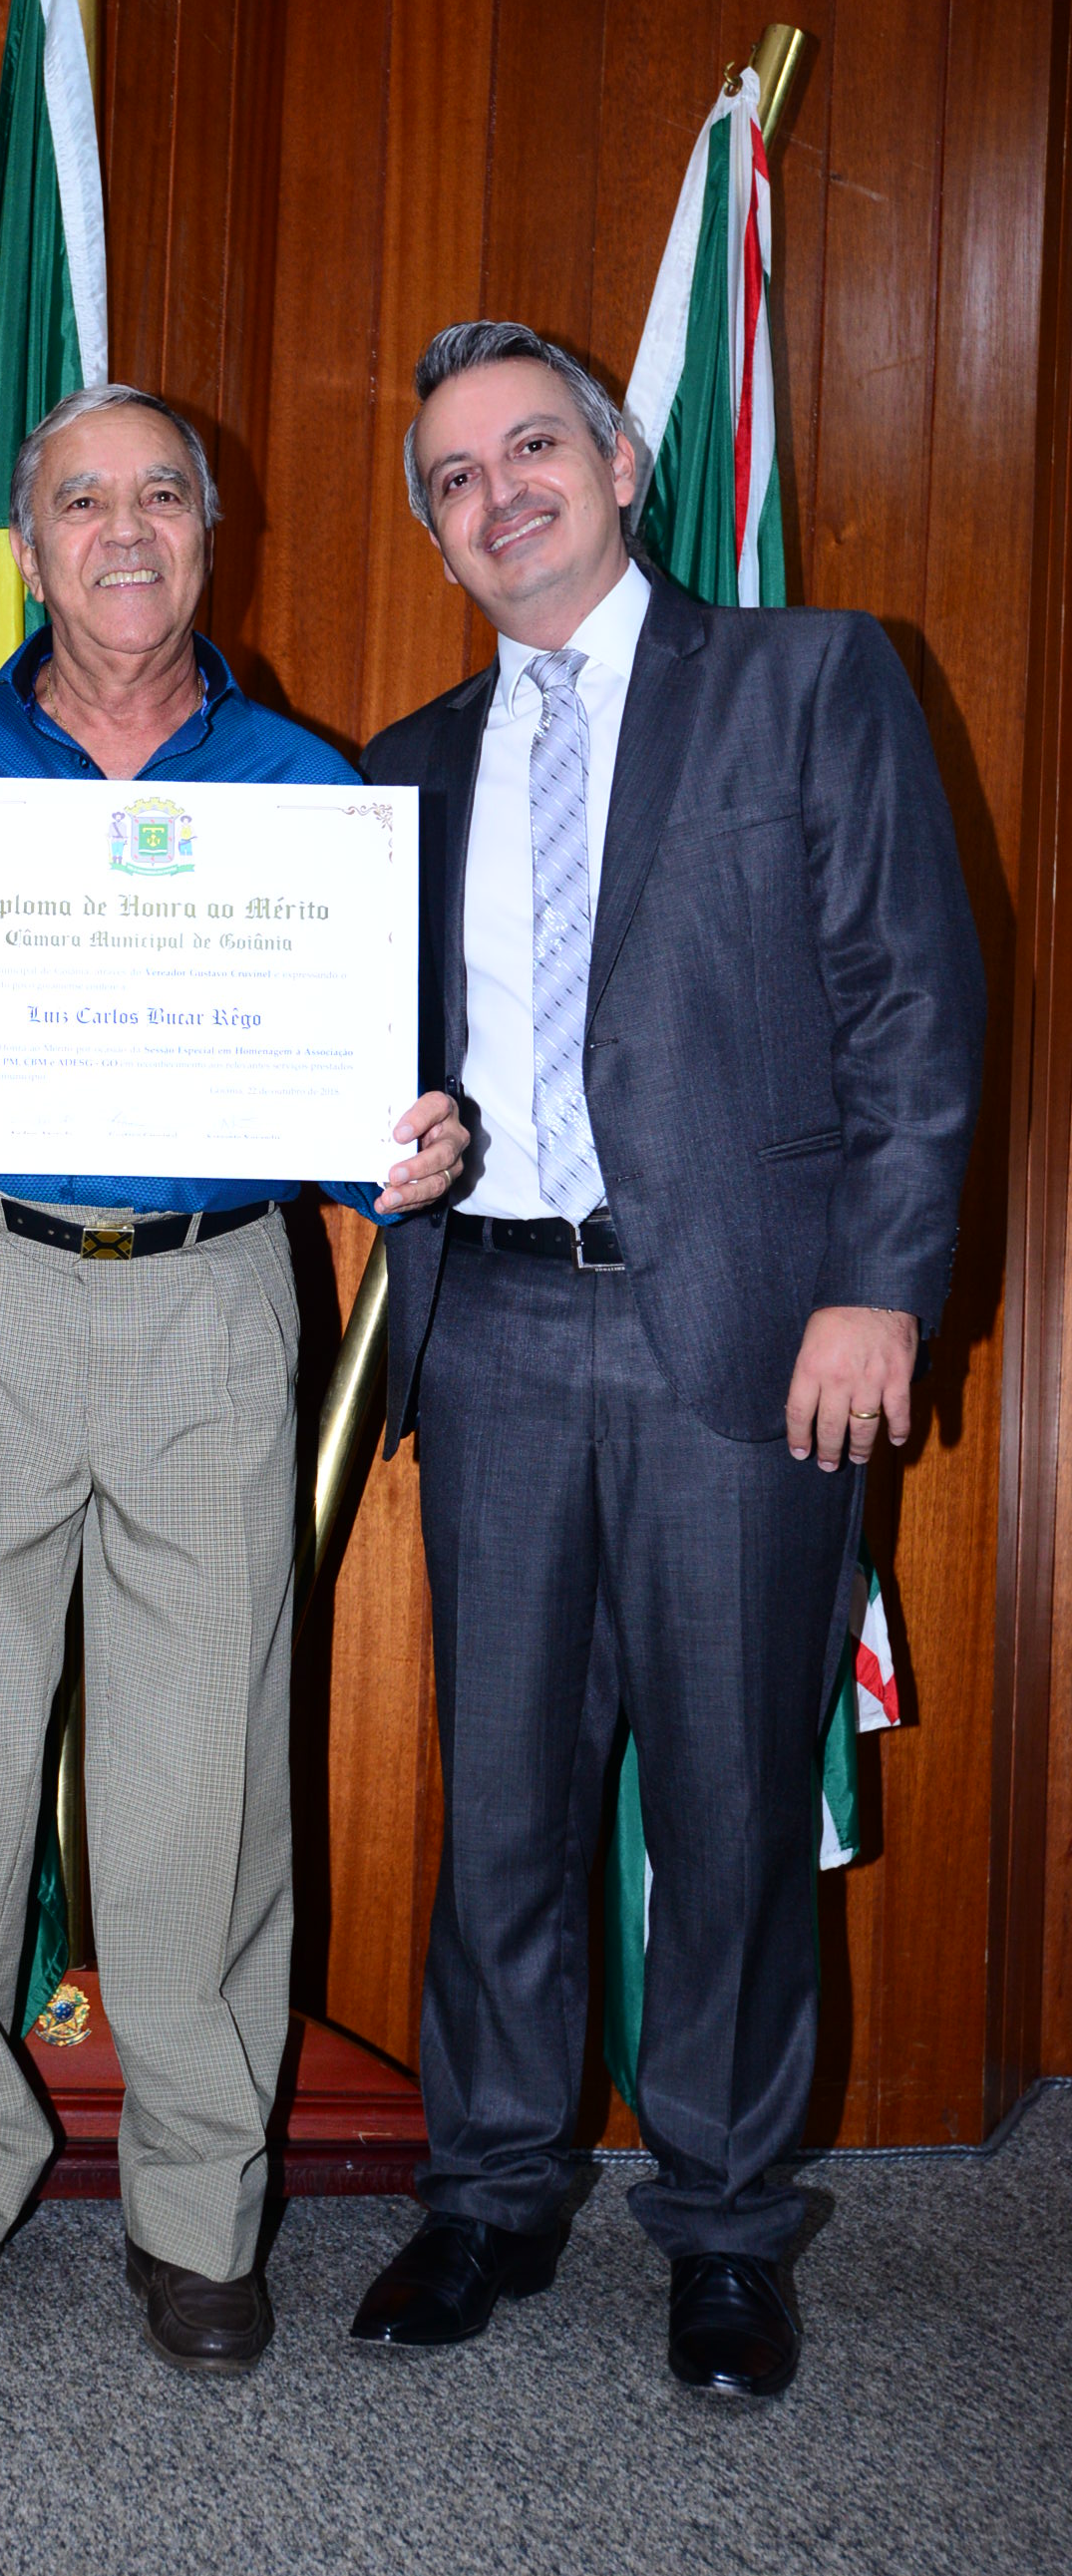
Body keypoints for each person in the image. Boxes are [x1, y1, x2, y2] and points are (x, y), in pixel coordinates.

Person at [0, 384, 464, 2372]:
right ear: (31, 545)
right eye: (80, 499)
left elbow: (362, 1091)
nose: (122, 530)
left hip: (211, 1301)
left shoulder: (303, 783)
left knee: (203, 1774)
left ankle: (198, 2208)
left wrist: (407, 1141)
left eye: (159, 494)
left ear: (206, 531)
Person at [355, 319, 983, 2394]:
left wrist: (879, 1287)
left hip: (752, 1334)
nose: (498, 494)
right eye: (454, 477)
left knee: (726, 1801)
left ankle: (721, 2221)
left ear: (622, 466)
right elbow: (372, 1062)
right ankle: (491, 2189)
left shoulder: (807, 679)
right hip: (494, 1324)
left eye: (533, 447)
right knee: (503, 1803)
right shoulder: (406, 765)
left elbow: (911, 1001)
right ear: (436, 528)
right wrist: (384, 1146)